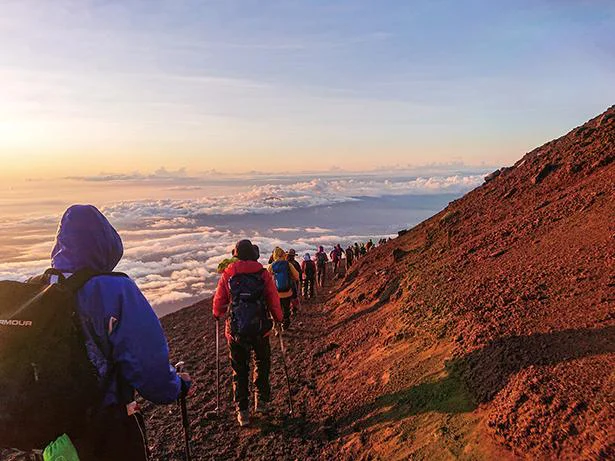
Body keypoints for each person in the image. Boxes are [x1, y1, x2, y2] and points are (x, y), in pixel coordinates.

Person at [9, 205, 191, 461]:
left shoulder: (34, 292)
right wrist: (178, 385)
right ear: (107, 243)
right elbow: (150, 371)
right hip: (105, 431)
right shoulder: (115, 291)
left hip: (44, 438)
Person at [213, 240, 283, 427]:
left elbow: (219, 301)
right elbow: (272, 299)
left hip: (236, 332)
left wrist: (218, 314)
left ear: (236, 255)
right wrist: (278, 318)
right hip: (261, 329)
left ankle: (242, 411)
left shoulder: (228, 273)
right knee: (262, 363)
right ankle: (261, 402)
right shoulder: (263, 274)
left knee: (240, 369)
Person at [268, 247, 299, 330]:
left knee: (276, 310)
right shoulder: (288, 264)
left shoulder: (272, 266)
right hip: (287, 292)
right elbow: (297, 276)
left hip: (275, 293)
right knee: (286, 309)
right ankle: (285, 326)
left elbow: (267, 279)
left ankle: (276, 328)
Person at [286, 249, 302, 314]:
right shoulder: (296, 263)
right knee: (294, 296)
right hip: (294, 282)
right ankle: (294, 309)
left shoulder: (285, 263)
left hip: (286, 282)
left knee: (287, 296)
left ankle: (288, 310)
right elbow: (299, 273)